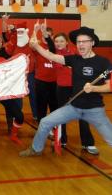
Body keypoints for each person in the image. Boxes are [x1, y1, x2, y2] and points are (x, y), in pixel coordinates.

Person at [20, 26, 112, 157]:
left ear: (92, 43)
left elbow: (109, 87)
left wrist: (94, 88)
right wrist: (37, 46)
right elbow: (51, 55)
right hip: (73, 107)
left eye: (84, 41)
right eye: (79, 42)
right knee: (45, 122)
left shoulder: (103, 62)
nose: (81, 44)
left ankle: (88, 143)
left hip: (94, 110)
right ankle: (36, 148)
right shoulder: (74, 59)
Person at [50, 32, 98, 154]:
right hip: (62, 88)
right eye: (56, 41)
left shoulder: (75, 53)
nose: (58, 43)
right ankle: (62, 139)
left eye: (61, 41)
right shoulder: (54, 54)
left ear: (67, 42)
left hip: (77, 88)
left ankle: (88, 143)